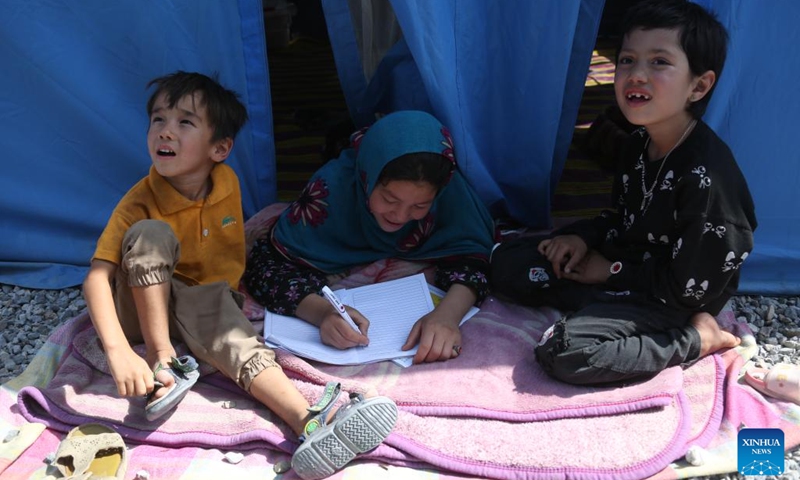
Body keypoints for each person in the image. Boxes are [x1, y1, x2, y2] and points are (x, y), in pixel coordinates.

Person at [82, 71, 397, 480]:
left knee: (234, 332)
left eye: (184, 122)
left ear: (220, 148)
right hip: (139, 309)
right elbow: (96, 277)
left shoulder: (226, 182)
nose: (165, 132)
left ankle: (310, 423)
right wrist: (119, 351)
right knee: (152, 234)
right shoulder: (139, 201)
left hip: (203, 303)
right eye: (158, 120)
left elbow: (224, 249)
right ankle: (163, 362)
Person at [490, 0, 757, 386]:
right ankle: (596, 304)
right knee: (507, 264)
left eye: (659, 62)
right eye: (628, 60)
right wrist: (582, 238)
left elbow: (688, 289)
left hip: (673, 298)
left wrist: (610, 270)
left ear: (698, 86)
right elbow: (621, 217)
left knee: (566, 352)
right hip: (625, 267)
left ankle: (698, 338)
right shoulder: (637, 145)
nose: (637, 75)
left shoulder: (707, 180)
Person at [244, 110, 495, 364]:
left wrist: (447, 316)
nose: (400, 215)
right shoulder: (331, 193)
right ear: (367, 177)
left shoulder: (451, 196)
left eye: (420, 206)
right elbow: (266, 268)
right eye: (389, 199)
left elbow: (475, 260)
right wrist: (323, 313)